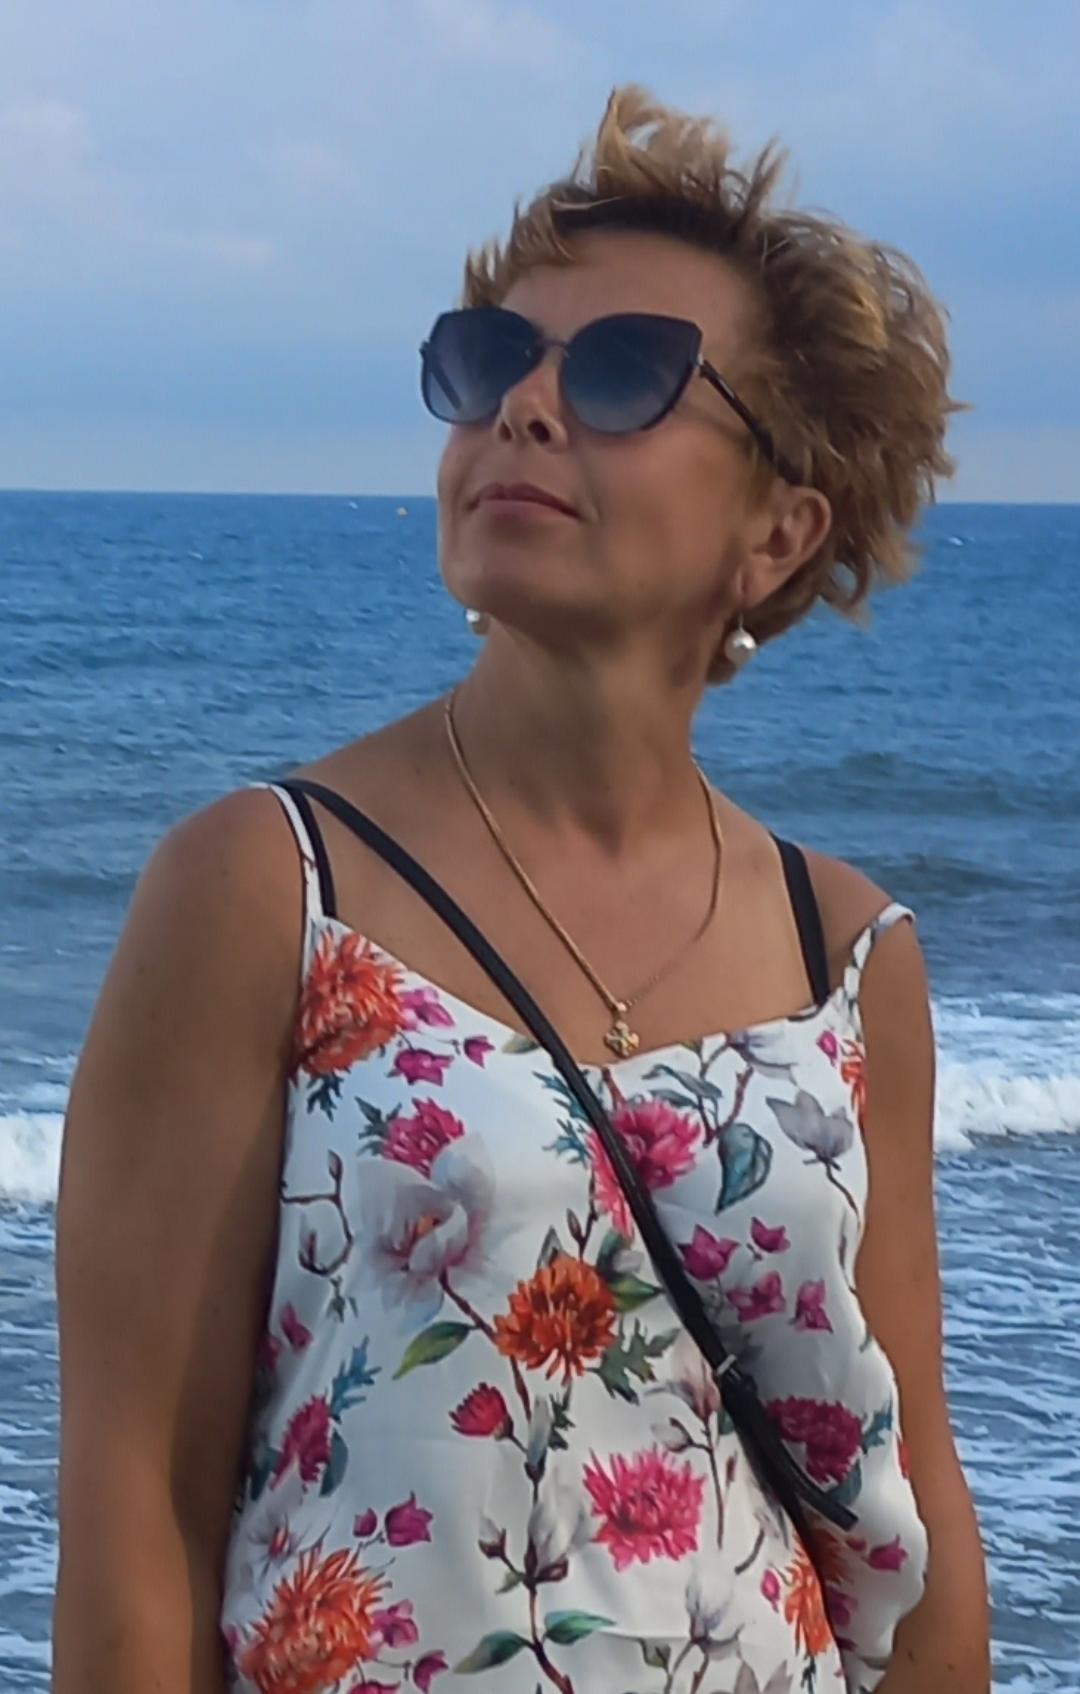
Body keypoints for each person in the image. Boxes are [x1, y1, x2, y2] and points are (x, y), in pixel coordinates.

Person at [53, 85, 990, 1694]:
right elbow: (139, 1511)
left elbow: (914, 1507)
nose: (528, 408)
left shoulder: (845, 952)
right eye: (491, 362)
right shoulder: (268, 886)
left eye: (622, 373)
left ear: (779, 529)